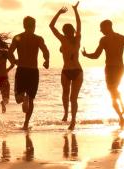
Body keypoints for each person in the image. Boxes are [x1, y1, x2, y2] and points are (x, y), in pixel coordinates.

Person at [83, 20, 124, 127]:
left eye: (102, 28)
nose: (101, 30)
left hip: (110, 68)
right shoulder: (121, 37)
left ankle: (121, 115)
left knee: (112, 91)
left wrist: (86, 55)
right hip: (120, 68)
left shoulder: (104, 40)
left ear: (108, 27)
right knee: (114, 89)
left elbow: (96, 56)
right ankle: (122, 108)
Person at [9, 16, 50, 130]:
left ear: (24, 25)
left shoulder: (18, 37)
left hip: (22, 69)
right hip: (33, 71)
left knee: (18, 99)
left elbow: (10, 52)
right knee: (31, 99)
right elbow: (45, 51)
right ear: (34, 26)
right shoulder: (38, 39)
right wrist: (46, 61)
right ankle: (26, 124)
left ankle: (23, 98)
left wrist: (14, 61)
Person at [49, 2, 83, 130]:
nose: (67, 32)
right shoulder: (63, 39)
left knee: (73, 98)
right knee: (65, 94)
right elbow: (51, 26)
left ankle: (73, 120)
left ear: (71, 31)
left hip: (77, 71)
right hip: (66, 71)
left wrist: (74, 10)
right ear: (64, 32)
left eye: (68, 31)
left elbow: (78, 24)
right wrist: (60, 12)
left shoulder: (77, 39)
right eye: (66, 31)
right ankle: (66, 113)